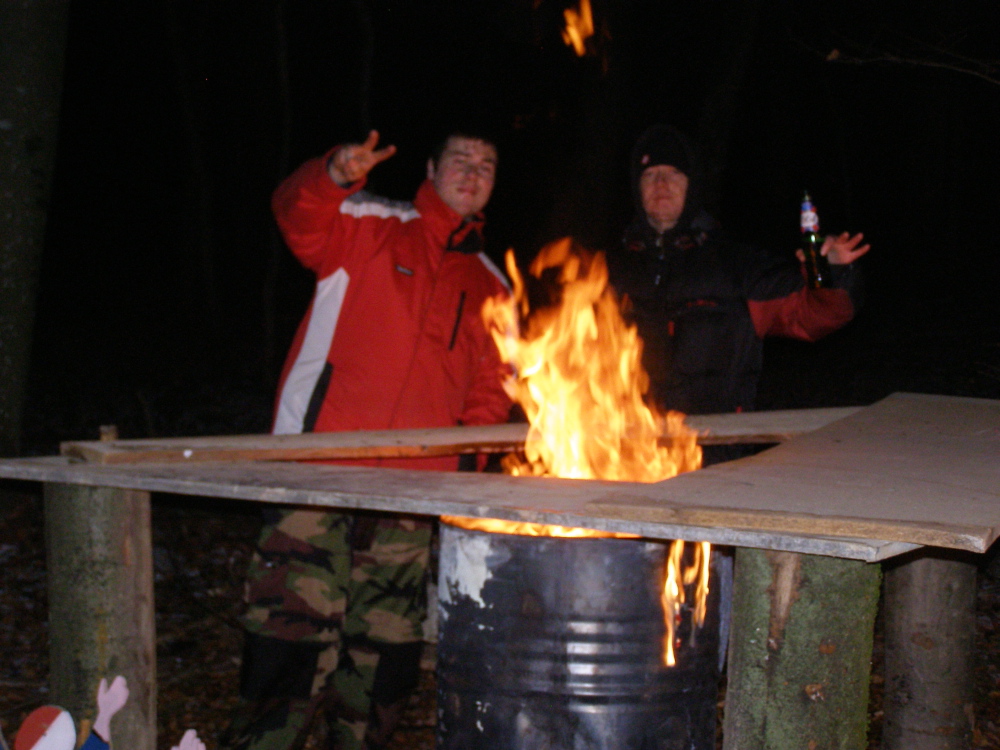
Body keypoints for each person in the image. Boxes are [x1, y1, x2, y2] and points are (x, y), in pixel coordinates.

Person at [227, 130, 512, 750]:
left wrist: (460, 471)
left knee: (383, 655)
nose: (472, 173)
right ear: (431, 168)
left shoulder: (495, 286)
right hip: (318, 472)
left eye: (486, 165)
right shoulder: (366, 222)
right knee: (290, 638)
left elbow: (492, 393)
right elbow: (296, 213)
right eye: (460, 160)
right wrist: (332, 172)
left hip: (408, 499)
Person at [607, 123, 870, 452]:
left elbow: (813, 315)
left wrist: (830, 273)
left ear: (693, 185)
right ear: (637, 188)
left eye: (674, 173)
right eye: (650, 175)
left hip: (716, 454)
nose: (661, 183)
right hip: (624, 453)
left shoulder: (737, 266)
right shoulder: (604, 273)